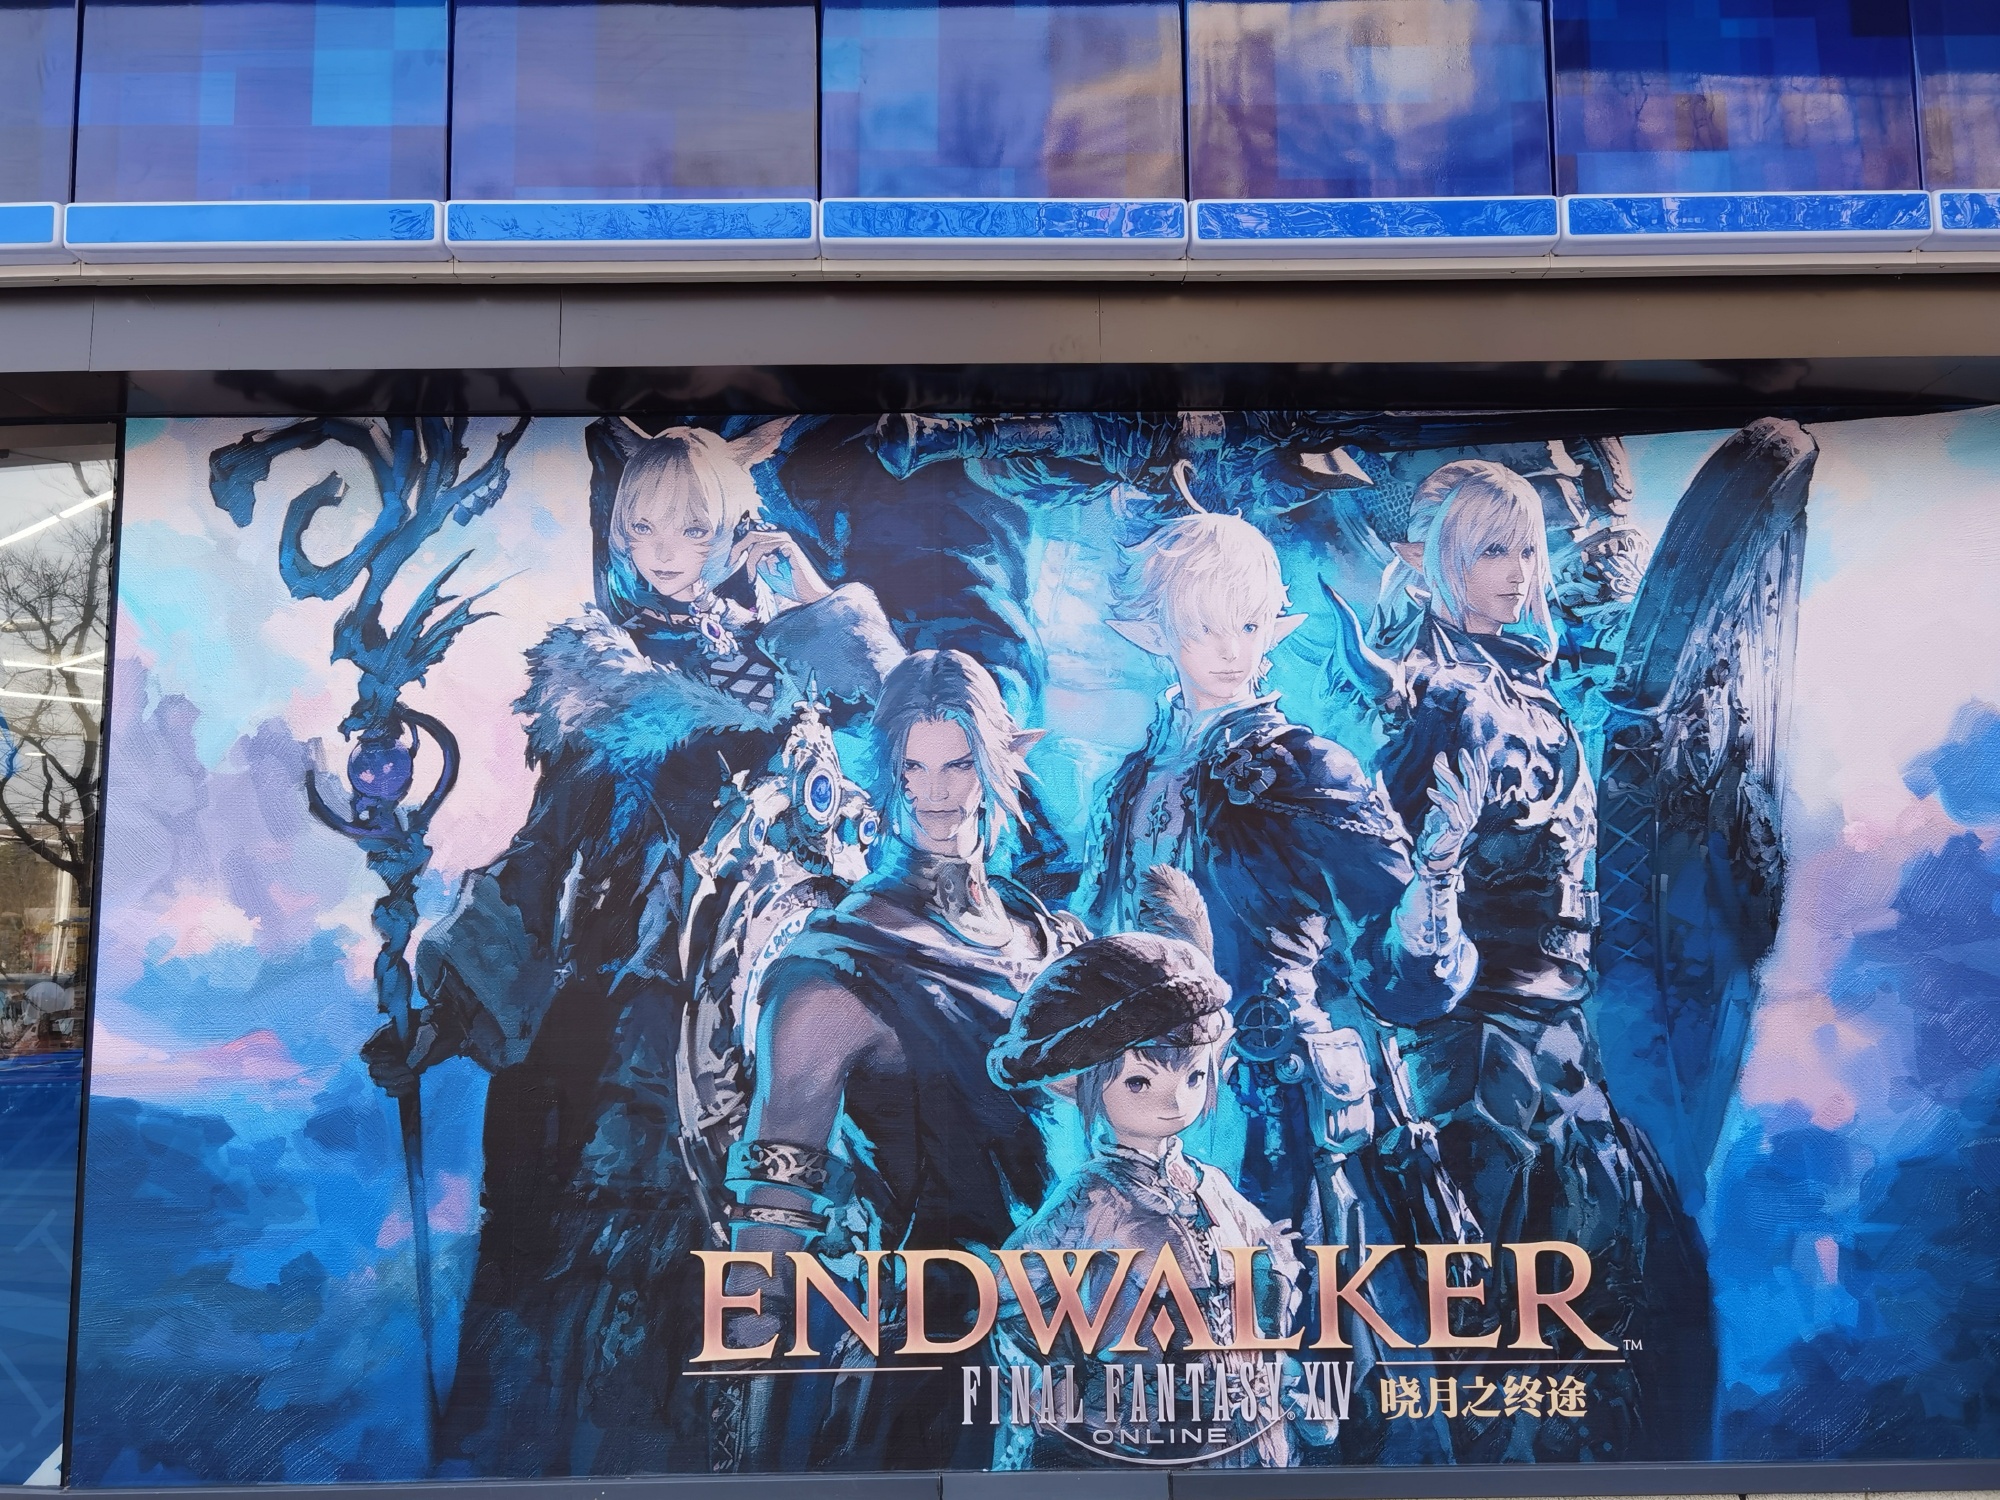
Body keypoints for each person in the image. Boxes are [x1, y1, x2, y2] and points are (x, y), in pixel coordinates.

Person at [361, 420, 905, 1476]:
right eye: (646, 526)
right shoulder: (595, 670)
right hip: (620, 1015)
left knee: (756, 1252)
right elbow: (540, 854)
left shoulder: (781, 656)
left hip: (758, 1002)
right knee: (595, 1268)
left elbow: (893, 725)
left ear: (734, 530)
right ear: (619, 531)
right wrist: (445, 1003)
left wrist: (810, 600)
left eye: (695, 528)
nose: (667, 551)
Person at [1366, 458, 1716, 1463]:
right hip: (1475, 1039)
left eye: (1525, 548)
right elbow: (1395, 886)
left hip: (1553, 1026)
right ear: (1436, 562)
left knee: (1604, 1284)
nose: (1518, 571)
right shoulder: (1437, 697)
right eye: (1492, 551)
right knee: (1489, 1305)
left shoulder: (1521, 672)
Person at [722, 648, 1086, 1469]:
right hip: (928, 1367)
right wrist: (747, 1403)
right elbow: (771, 1215)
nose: (936, 795)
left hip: (1077, 1349)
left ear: (998, 763)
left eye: (959, 764)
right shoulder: (835, 972)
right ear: (885, 774)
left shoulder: (1054, 941)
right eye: (913, 768)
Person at [986, 868, 1328, 1470]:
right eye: (1141, 1081)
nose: (1174, 1100)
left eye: (1193, 1076)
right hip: (1141, 1444)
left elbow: (1270, 1273)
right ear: (1082, 1086)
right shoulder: (1089, 1200)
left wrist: (1282, 1364)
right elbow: (1013, 1301)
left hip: (1247, 1435)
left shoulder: (1212, 1187)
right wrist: (1075, 1395)